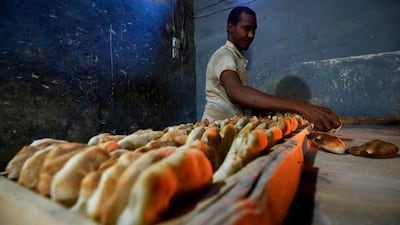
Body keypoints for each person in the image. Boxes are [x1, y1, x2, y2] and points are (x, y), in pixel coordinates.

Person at [201, 6, 341, 132]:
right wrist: (299, 106)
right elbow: (237, 92)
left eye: (254, 30)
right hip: (214, 131)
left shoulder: (237, 58)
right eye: (246, 28)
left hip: (228, 129)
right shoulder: (224, 55)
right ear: (230, 27)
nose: (251, 35)